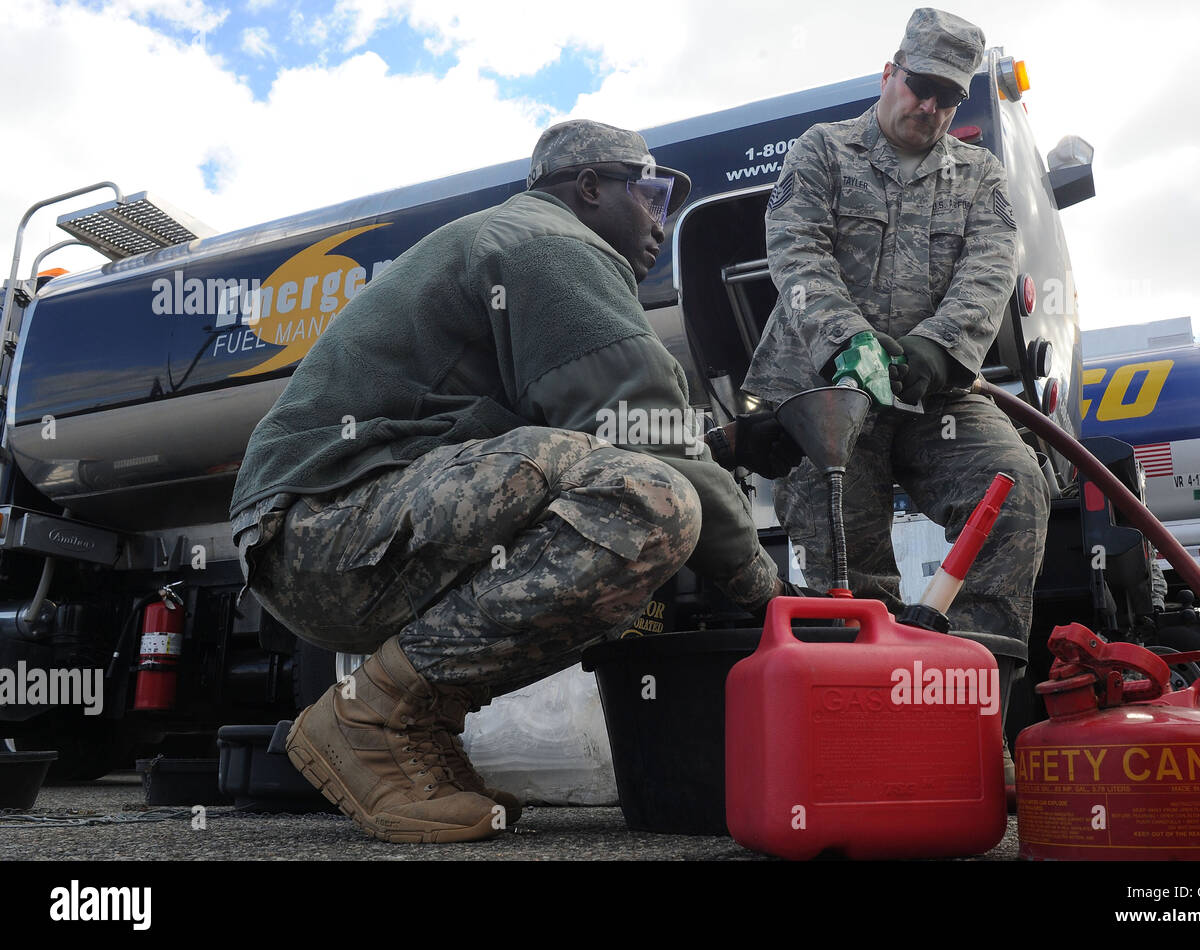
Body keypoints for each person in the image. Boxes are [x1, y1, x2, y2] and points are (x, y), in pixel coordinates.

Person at [228, 120, 801, 843]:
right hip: (325, 522)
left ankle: (418, 723)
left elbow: (583, 426)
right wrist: (770, 595)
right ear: (588, 188)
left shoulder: (523, 246)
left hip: (331, 531)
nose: (662, 221)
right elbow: (639, 429)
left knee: (621, 538)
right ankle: (368, 715)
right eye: (651, 193)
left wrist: (721, 443)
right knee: (649, 506)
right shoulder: (551, 242)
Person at [742, 9, 1049, 653]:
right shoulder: (821, 150)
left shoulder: (981, 177)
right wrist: (848, 339)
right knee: (848, 571)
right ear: (889, 73)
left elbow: (989, 272)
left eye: (949, 97)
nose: (931, 106)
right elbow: (797, 253)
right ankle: (874, 714)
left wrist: (937, 350)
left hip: (932, 395)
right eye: (921, 87)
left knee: (1014, 493)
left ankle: (973, 687)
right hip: (824, 395)